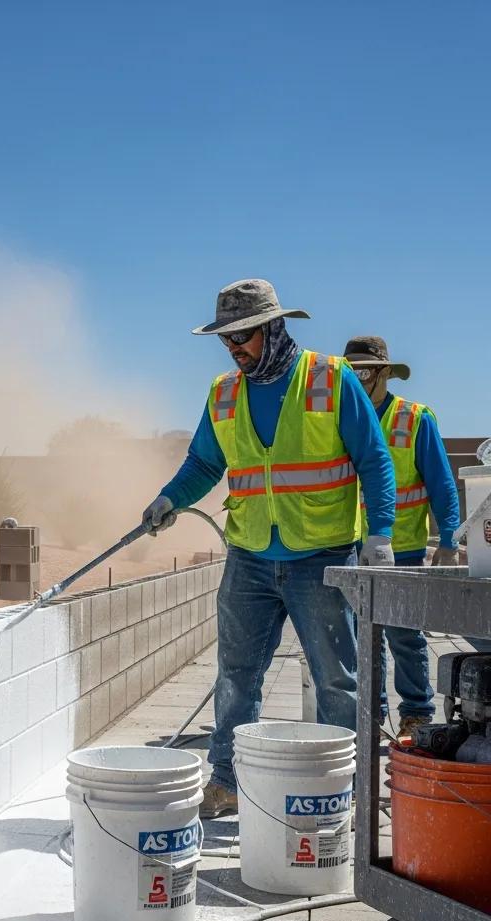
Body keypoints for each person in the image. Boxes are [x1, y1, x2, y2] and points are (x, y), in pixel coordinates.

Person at [144, 279, 396, 817]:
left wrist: (379, 536)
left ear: (274, 327)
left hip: (322, 556)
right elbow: (205, 463)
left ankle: (343, 788)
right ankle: (228, 782)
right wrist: (169, 498)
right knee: (236, 675)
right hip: (250, 556)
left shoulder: (331, 379)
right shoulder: (225, 392)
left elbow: (373, 459)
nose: (234, 347)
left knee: (337, 680)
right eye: (226, 339)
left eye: (244, 335)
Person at [344, 336, 460, 739]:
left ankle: (415, 711)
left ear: (385, 374)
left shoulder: (414, 419)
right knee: (363, 637)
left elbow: (441, 484)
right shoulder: (340, 417)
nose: (357, 381)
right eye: (350, 372)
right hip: (351, 548)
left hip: (403, 550)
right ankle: (372, 715)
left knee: (404, 636)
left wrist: (448, 538)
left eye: (364, 372)